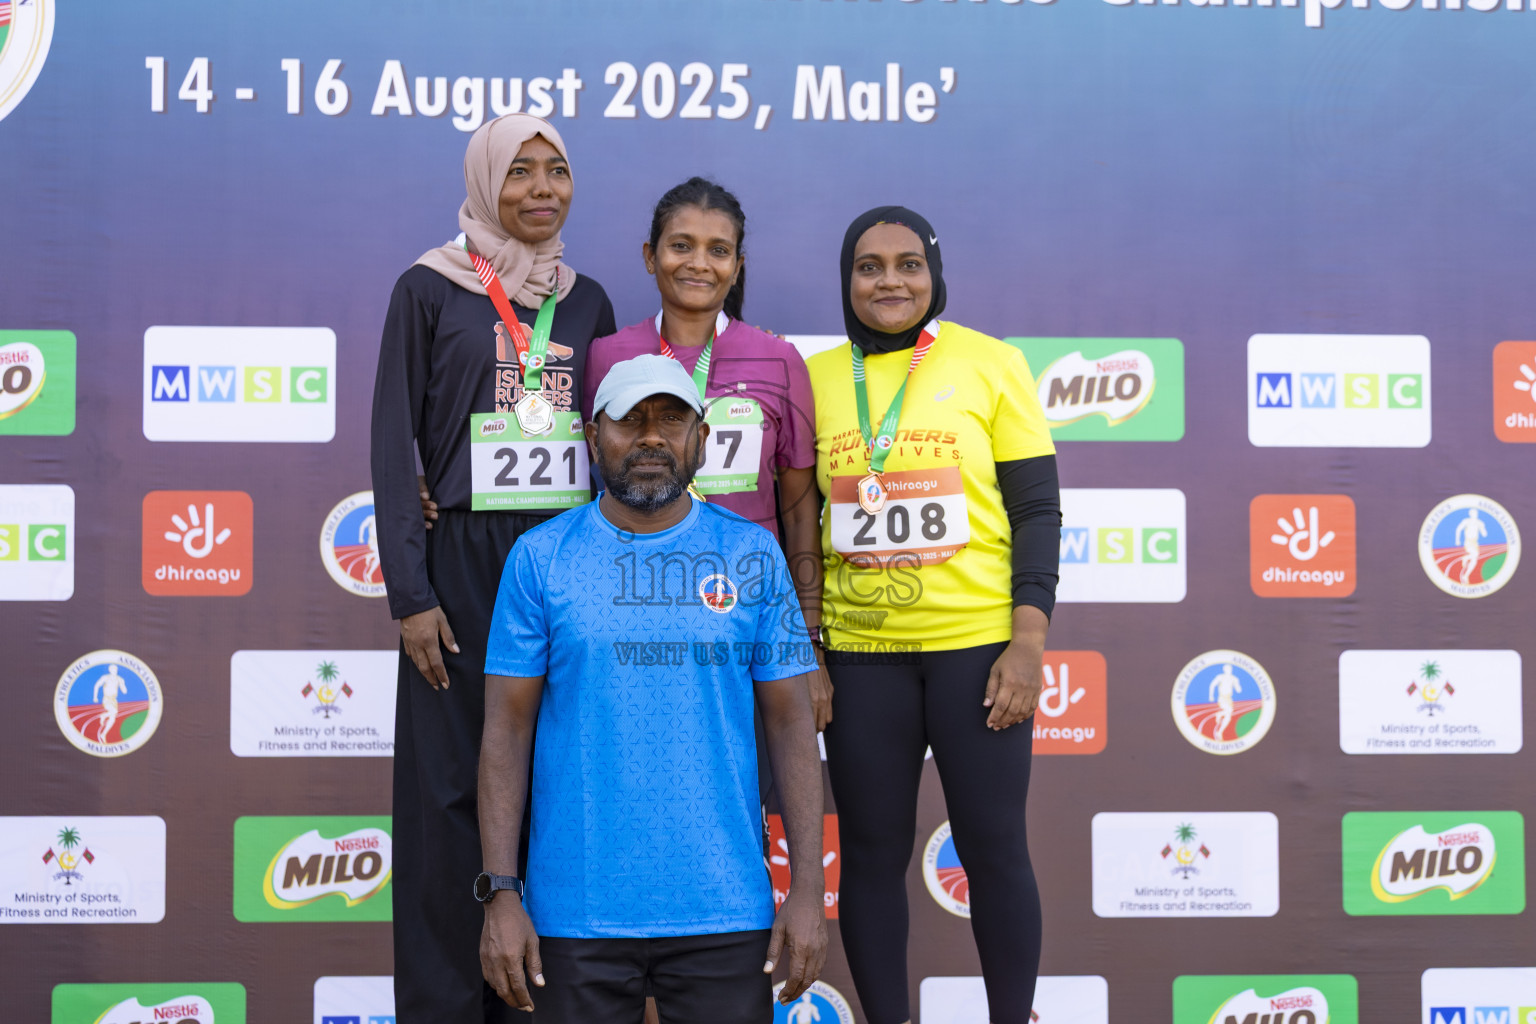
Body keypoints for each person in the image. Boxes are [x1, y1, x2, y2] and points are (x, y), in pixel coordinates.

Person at [477, 354, 828, 1023]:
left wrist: (807, 890)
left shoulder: (752, 555)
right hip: (574, 913)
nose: (649, 437)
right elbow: (506, 731)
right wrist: (501, 893)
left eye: (670, 419)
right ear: (591, 435)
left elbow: (790, 723)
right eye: (628, 420)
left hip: (722, 906)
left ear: (700, 438)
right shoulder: (540, 559)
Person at [369, 113, 616, 1024]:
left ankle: (537, 1000)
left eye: (557, 170)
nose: (542, 189)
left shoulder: (588, 301)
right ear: (484, 184)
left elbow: (616, 435)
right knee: (447, 795)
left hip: (564, 565)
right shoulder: (427, 288)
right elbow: (395, 445)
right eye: (520, 172)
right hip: (461, 561)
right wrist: (411, 591)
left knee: (552, 783)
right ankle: (443, 1004)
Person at [805, 206, 1061, 1024]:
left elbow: (1036, 511)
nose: (890, 281)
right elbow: (792, 518)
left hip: (976, 653)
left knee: (993, 850)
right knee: (873, 856)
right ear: (846, 280)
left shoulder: (990, 363)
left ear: (935, 273)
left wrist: (1027, 644)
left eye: (908, 264)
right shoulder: (811, 377)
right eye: (869, 266)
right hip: (859, 655)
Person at [582, 176, 833, 747]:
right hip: (634, 607)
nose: (699, 263)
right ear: (650, 257)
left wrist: (806, 643)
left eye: (718, 250)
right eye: (681, 245)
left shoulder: (780, 358)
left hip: (747, 615)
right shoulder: (607, 355)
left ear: (738, 266)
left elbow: (798, 512)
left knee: (745, 795)